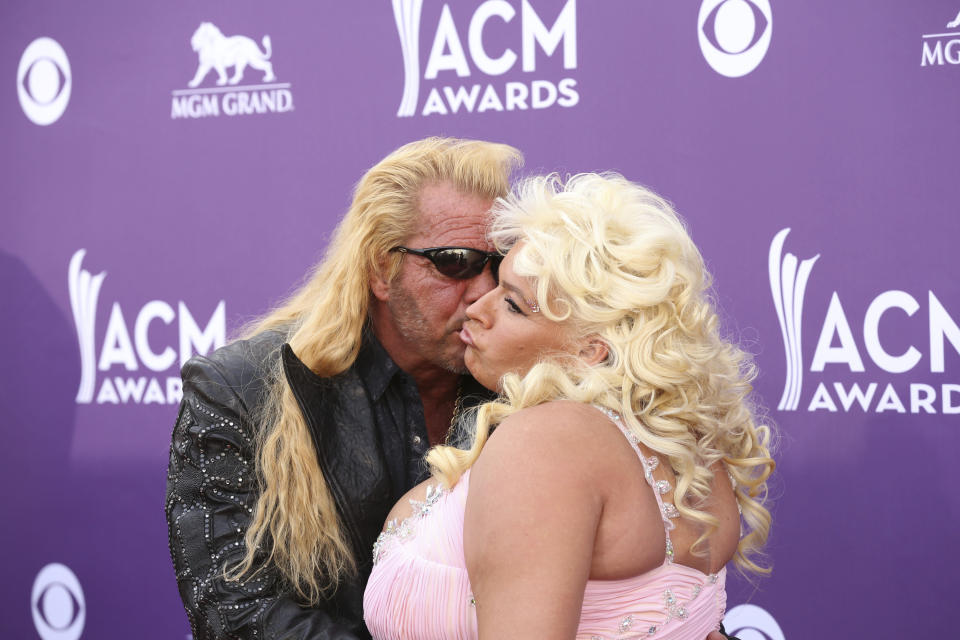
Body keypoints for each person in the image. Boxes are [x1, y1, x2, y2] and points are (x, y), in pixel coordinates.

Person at [363, 173, 775, 639]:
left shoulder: (544, 444)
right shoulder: (687, 446)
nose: (479, 306)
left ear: (590, 349)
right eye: (498, 284)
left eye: (514, 304)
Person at [165, 137, 522, 640]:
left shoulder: (526, 384)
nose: (484, 290)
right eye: (455, 261)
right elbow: (236, 611)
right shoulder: (244, 390)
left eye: (498, 262)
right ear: (380, 267)